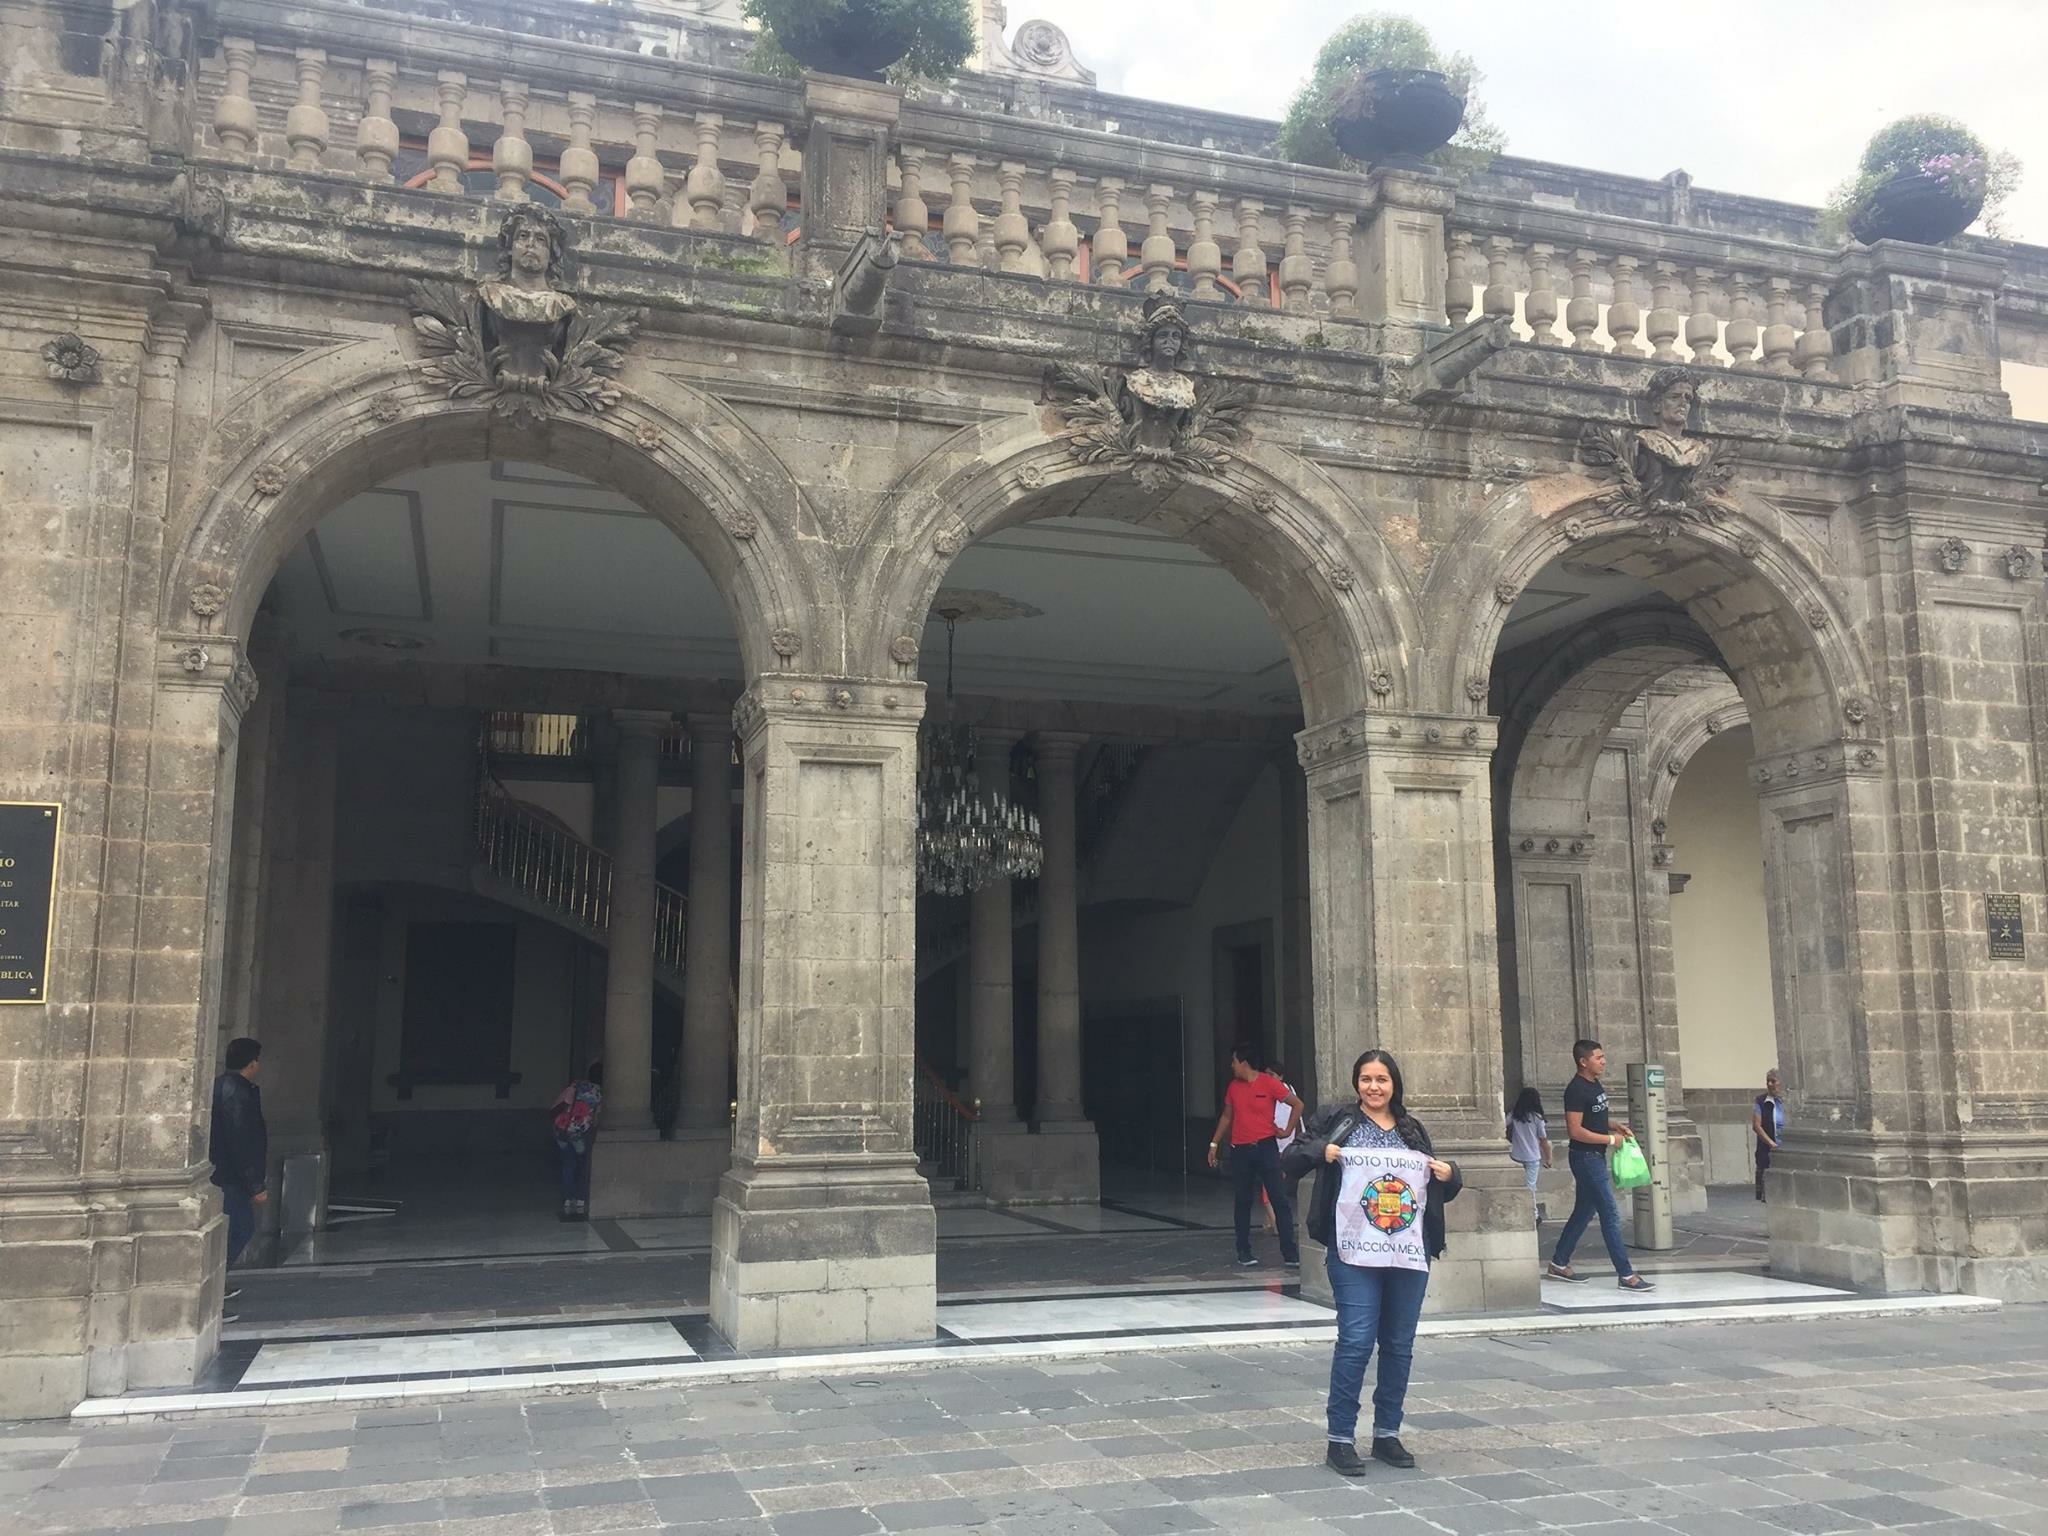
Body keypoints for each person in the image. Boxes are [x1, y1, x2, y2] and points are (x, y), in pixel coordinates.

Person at [1283, 1049, 1461, 1477]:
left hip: (1407, 1252)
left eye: (1382, 1079)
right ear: (1356, 1083)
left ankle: (1386, 1433)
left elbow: (1432, 1191)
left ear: (1394, 1083)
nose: (1374, 1086)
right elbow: (1291, 1160)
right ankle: (1341, 1439)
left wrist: (1452, 1173)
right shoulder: (1338, 1121)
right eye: (1366, 1079)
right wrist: (1321, 1150)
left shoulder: (1412, 1129)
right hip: (1352, 1253)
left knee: (1399, 1344)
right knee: (1357, 1341)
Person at [1546, 1039, 1654, 1291]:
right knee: (1610, 1213)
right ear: (1583, 1062)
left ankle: (1559, 1262)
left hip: (1595, 1155)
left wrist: (1614, 1125)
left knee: (1584, 1212)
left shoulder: (1595, 1085)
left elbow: (1595, 1117)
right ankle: (1626, 1275)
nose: (1604, 1061)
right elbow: (1575, 1130)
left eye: (1603, 1057)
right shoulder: (1575, 1089)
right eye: (1598, 1058)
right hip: (1585, 1158)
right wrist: (1610, 1139)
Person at [1207, 1043, 1304, 1269]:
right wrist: (1214, 1143)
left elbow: (1297, 1104)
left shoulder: (1269, 1083)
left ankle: (1290, 1252)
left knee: (1279, 1198)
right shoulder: (1233, 1087)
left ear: (1244, 1063)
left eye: (1233, 1061)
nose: (1231, 1066)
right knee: (1242, 1200)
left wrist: (1288, 1130)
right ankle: (1243, 1250)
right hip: (1240, 1149)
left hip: (1266, 1147)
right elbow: (1226, 1117)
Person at [209, 1037, 269, 1311]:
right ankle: (212, 1288)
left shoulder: (225, 1085)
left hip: (224, 1173)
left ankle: (215, 1284)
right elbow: (241, 1141)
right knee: (241, 1228)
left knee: (235, 1228)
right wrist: (255, 1184)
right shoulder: (237, 1093)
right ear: (253, 1062)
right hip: (231, 1176)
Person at [551, 1061, 604, 1221]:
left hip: (562, 1131)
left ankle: (568, 1198)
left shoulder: (573, 1087)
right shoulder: (597, 1092)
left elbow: (554, 1107)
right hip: (581, 1134)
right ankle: (580, 1198)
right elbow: (596, 1117)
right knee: (582, 1165)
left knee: (568, 1164)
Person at [1263, 1058, 1300, 1235]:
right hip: (1283, 1143)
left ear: (1280, 1076)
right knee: (1275, 1185)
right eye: (1267, 1074)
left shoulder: (1281, 1094)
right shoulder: (1289, 1090)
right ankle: (1270, 1221)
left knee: (1270, 1187)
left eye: (1272, 1075)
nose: (1268, 1078)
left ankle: (1276, 1223)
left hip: (1279, 1144)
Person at [1506, 1087, 1551, 1220]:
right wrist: (1548, 1157)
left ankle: (1521, 1212)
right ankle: (1533, 1214)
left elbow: (1502, 1123)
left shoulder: (1515, 1115)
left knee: (1517, 1185)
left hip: (1516, 1155)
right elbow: (1543, 1140)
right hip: (1532, 1156)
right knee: (1530, 1186)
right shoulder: (1537, 1118)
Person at [1752, 1068, 1785, 1203]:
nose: (1770, 1084)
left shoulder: (1789, 1102)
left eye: (1773, 1081)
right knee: (1769, 1195)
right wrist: (1772, 1144)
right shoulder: (1761, 1101)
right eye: (1768, 1082)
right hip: (1768, 1149)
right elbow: (1756, 1126)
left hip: (1786, 1147)